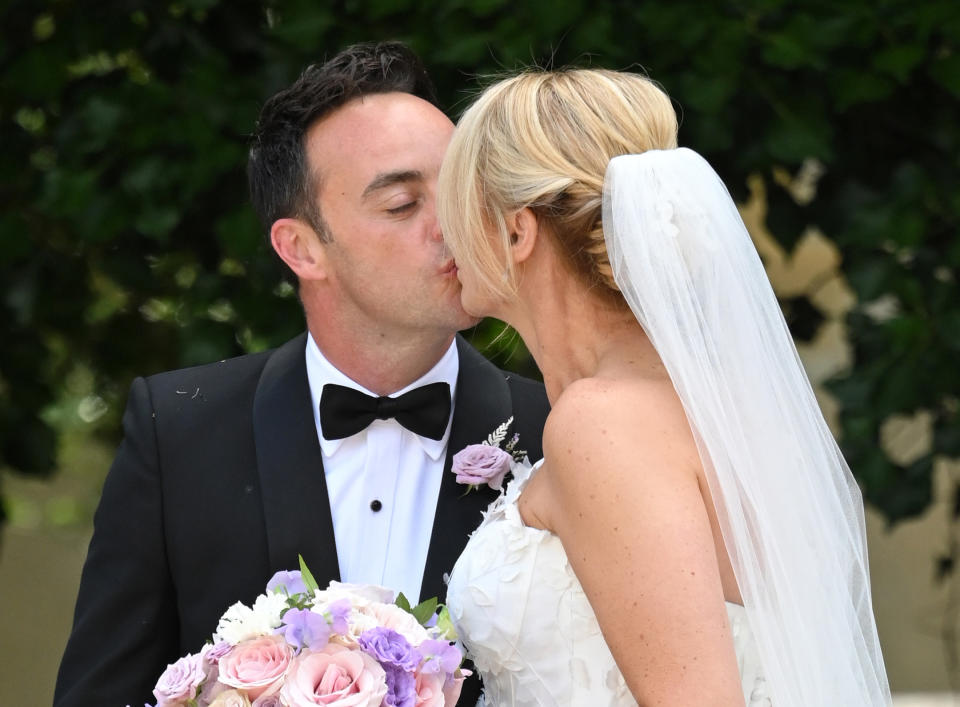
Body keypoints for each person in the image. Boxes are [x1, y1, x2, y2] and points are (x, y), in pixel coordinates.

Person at [53, 42, 549, 707]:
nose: (457, 223)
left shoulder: (561, 434)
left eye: (463, 190)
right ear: (301, 248)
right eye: (404, 204)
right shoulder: (178, 433)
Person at [438, 69, 891, 706]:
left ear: (517, 232)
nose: (439, 231)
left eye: (452, 203)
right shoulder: (705, 406)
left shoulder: (603, 424)